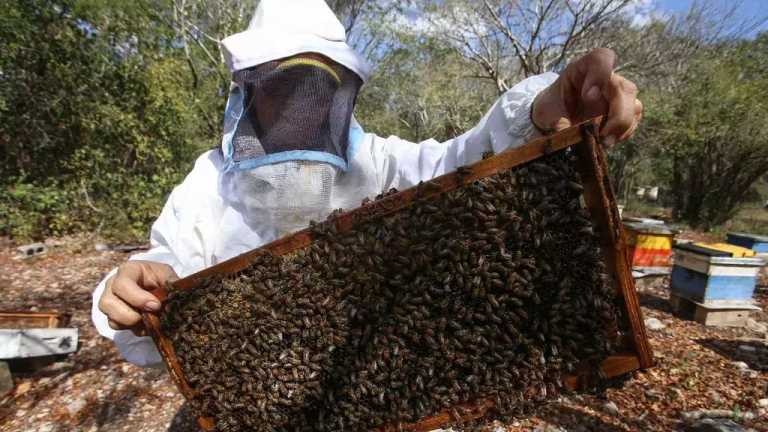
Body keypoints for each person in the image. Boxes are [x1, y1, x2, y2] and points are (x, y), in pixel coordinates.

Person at [92, 0, 642, 367]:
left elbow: (468, 160)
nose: (303, 106)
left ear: (342, 96)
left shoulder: (381, 165)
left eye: (320, 89)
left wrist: (548, 110)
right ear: (250, 88)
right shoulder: (206, 184)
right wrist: (131, 289)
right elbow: (163, 271)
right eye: (287, 84)